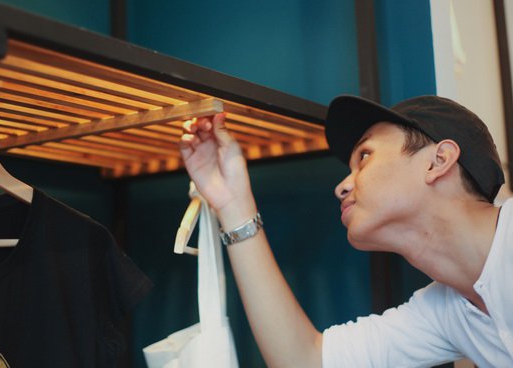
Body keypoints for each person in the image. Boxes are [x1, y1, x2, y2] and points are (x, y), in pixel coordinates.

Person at [178, 94, 513, 368]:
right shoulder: (447, 311)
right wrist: (234, 203)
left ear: (439, 160)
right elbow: (306, 360)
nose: (341, 186)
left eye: (364, 156)